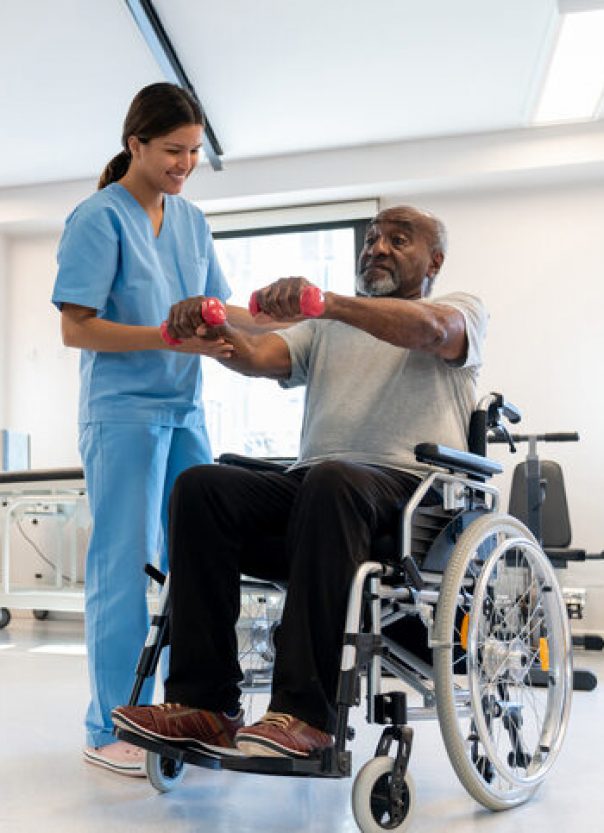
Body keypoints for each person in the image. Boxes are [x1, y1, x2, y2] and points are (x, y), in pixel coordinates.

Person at [112, 205, 488, 758]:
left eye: (398, 240)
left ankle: (304, 714)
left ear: (435, 260)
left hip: (411, 498)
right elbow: (262, 353)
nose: (377, 248)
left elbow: (435, 333)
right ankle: (205, 704)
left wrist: (332, 302)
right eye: (372, 238)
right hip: (318, 491)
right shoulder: (327, 327)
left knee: (333, 480)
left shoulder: (459, 308)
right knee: (200, 487)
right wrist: (216, 330)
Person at [50, 82, 263, 775]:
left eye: (195, 150)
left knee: (196, 561)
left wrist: (285, 319)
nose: (185, 162)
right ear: (135, 143)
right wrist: (167, 339)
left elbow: (217, 312)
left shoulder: (193, 222)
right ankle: (110, 719)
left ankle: (185, 707)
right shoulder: (97, 218)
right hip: (122, 412)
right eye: (174, 149)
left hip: (184, 411)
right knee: (122, 565)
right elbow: (75, 325)